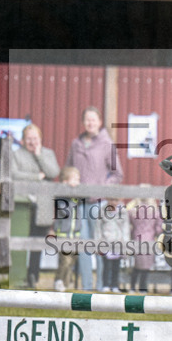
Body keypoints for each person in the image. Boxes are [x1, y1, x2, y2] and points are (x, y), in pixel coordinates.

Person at [66, 106, 123, 291]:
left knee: (100, 245)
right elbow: (68, 169)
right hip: (80, 203)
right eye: (87, 120)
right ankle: (86, 286)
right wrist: (69, 180)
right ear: (83, 122)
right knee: (83, 245)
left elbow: (118, 174)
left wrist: (104, 187)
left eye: (93, 119)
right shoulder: (76, 144)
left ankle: (101, 286)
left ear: (99, 122)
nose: (90, 123)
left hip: (99, 203)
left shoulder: (107, 144)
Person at [12, 123, 60, 287]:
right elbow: (14, 174)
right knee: (19, 240)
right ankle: (17, 276)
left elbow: (53, 172)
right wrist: (36, 177)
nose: (32, 141)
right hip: (22, 205)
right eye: (29, 138)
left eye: (35, 138)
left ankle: (33, 276)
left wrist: (39, 155)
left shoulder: (48, 153)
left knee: (37, 243)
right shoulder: (16, 154)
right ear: (23, 140)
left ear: (40, 139)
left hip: (43, 206)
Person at [53, 166, 83, 292]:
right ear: (65, 181)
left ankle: (65, 283)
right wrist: (66, 189)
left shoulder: (77, 197)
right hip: (63, 234)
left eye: (78, 180)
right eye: (75, 180)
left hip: (75, 234)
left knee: (72, 260)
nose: (78, 183)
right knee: (65, 260)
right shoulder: (61, 198)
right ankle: (59, 280)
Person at [127, 192, 162, 293]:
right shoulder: (155, 212)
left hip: (137, 239)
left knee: (136, 266)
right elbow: (158, 229)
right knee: (146, 267)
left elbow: (129, 226)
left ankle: (132, 287)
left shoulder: (133, 211)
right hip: (149, 241)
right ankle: (143, 287)